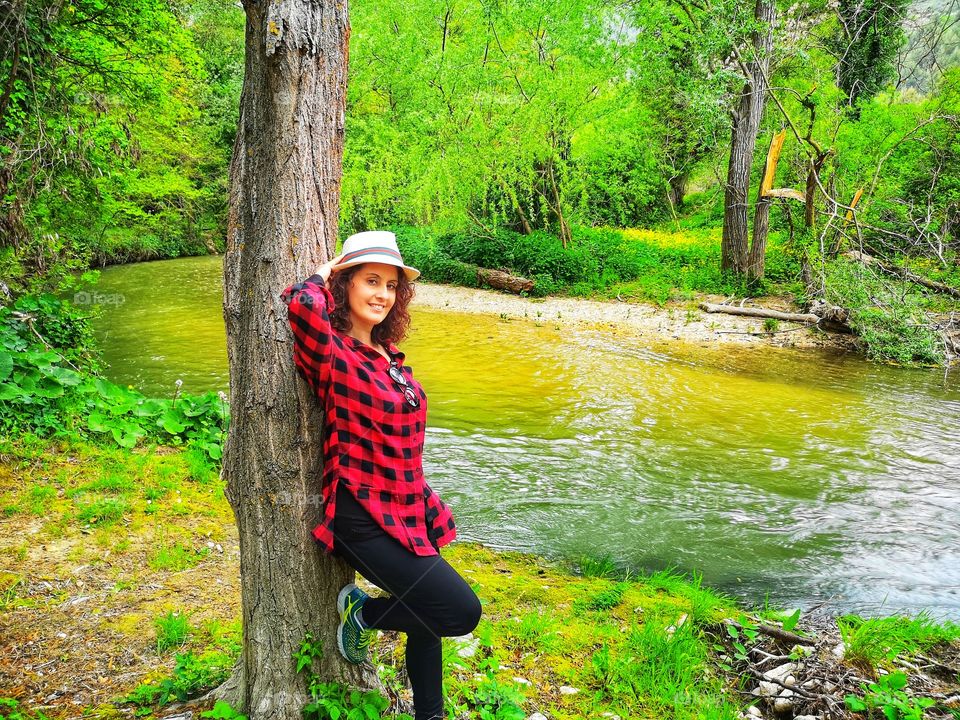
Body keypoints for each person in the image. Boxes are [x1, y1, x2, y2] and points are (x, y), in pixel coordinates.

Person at [281, 230, 482, 720]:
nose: (382, 294)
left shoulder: (390, 359)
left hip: (406, 509)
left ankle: (429, 717)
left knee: (429, 618)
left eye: (391, 286)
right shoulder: (336, 354)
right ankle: (363, 614)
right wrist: (325, 272)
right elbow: (301, 306)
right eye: (370, 280)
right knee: (459, 611)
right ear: (346, 285)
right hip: (361, 516)